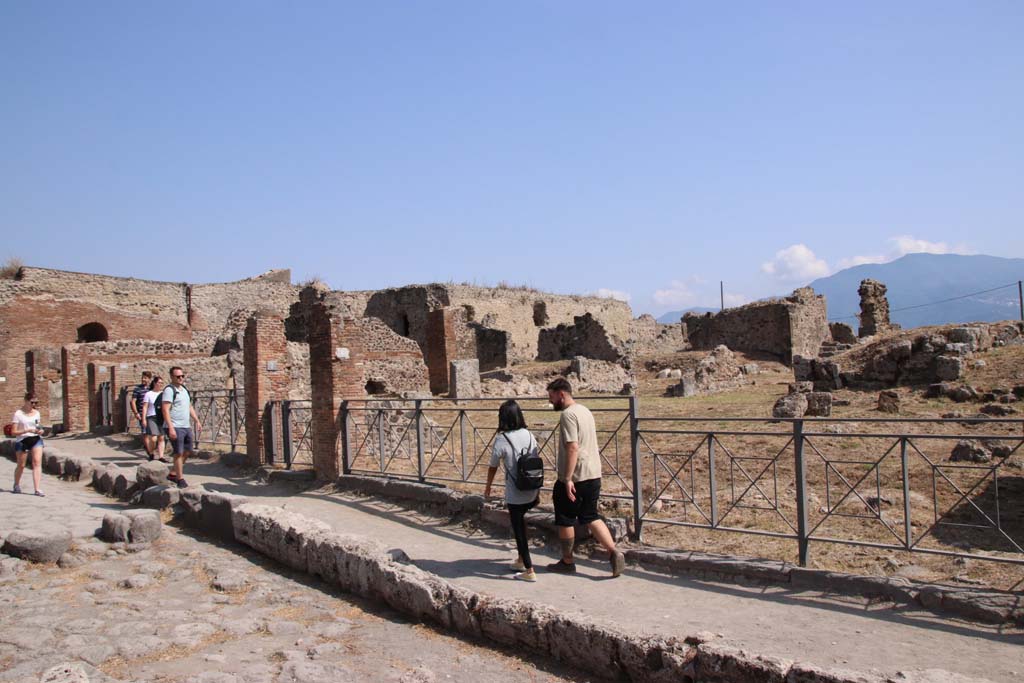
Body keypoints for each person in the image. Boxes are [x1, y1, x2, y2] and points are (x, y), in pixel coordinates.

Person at [545, 378, 625, 577]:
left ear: (561, 394)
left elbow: (572, 447)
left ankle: (567, 561)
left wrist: (567, 478)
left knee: (564, 518)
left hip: (576, 476)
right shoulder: (585, 411)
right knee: (590, 515)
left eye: (552, 396)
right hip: (593, 473)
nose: (551, 401)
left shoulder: (568, 415)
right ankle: (613, 551)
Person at [484, 400, 541, 582]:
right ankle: (520, 559)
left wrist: (488, 487)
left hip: (515, 492)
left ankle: (529, 570)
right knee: (521, 523)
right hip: (532, 489)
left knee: (519, 529)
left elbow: (493, 465)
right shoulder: (529, 434)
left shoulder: (502, 439)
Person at [162, 366, 201, 489]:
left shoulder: (184, 389)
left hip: (185, 425)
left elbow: (189, 406)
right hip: (175, 426)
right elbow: (165, 409)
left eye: (182, 376)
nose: (181, 378)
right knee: (178, 452)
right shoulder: (169, 390)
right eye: (178, 376)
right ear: (172, 377)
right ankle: (180, 478)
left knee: (187, 451)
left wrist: (197, 420)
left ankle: (173, 473)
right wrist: (171, 427)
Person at [11, 393, 46, 496]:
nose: (34, 404)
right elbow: (13, 432)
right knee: (21, 465)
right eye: (32, 402)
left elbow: (38, 425)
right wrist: (26, 430)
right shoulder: (18, 414)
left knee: (37, 462)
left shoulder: (37, 413)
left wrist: (41, 430)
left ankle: (37, 489)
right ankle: (16, 484)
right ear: (26, 401)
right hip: (23, 440)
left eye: (36, 402)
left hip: (36, 439)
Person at [141, 375, 168, 462]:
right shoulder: (148, 394)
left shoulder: (163, 394)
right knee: (153, 438)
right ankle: (151, 452)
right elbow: (145, 407)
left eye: (162, 383)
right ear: (155, 383)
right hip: (151, 416)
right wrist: (143, 419)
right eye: (159, 383)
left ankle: (161, 456)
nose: (160, 384)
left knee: (161, 437)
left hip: (161, 417)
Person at [130, 371, 153, 439]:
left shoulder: (151, 389)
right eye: (142, 378)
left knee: (152, 431)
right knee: (144, 431)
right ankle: (147, 447)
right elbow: (133, 401)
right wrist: (136, 413)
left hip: (151, 413)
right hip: (142, 413)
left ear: (149, 379)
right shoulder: (137, 389)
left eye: (145, 378)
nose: (143, 379)